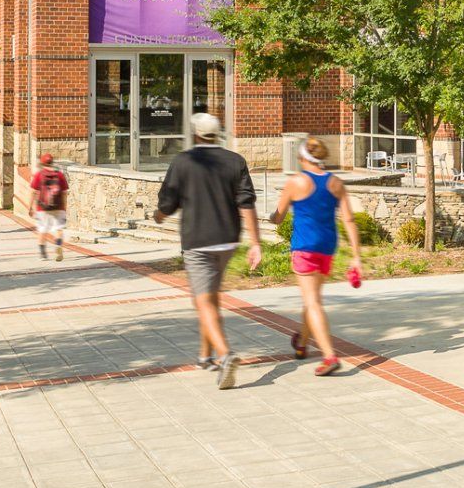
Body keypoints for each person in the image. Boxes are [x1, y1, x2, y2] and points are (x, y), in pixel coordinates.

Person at [155, 112, 262, 389]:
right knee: (210, 299)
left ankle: (225, 355)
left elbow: (168, 202)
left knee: (202, 302)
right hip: (228, 240)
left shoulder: (183, 161)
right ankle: (205, 355)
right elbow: (247, 202)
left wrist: (158, 215)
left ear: (194, 134)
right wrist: (256, 243)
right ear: (217, 134)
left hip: (198, 241)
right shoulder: (235, 160)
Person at [270, 137, 363, 377]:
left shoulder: (296, 181)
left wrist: (274, 217)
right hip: (326, 248)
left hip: (304, 247)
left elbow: (278, 217)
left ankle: (329, 355)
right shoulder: (336, 183)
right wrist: (356, 257)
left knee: (313, 302)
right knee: (312, 299)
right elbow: (350, 220)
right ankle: (301, 342)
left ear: (301, 157)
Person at [29, 154, 69, 261]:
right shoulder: (59, 175)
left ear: (42, 163)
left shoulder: (39, 175)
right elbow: (65, 193)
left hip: (42, 208)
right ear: (52, 162)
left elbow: (33, 192)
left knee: (42, 229)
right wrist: (64, 207)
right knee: (58, 229)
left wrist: (30, 207)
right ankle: (58, 246)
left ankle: (43, 254)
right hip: (58, 206)